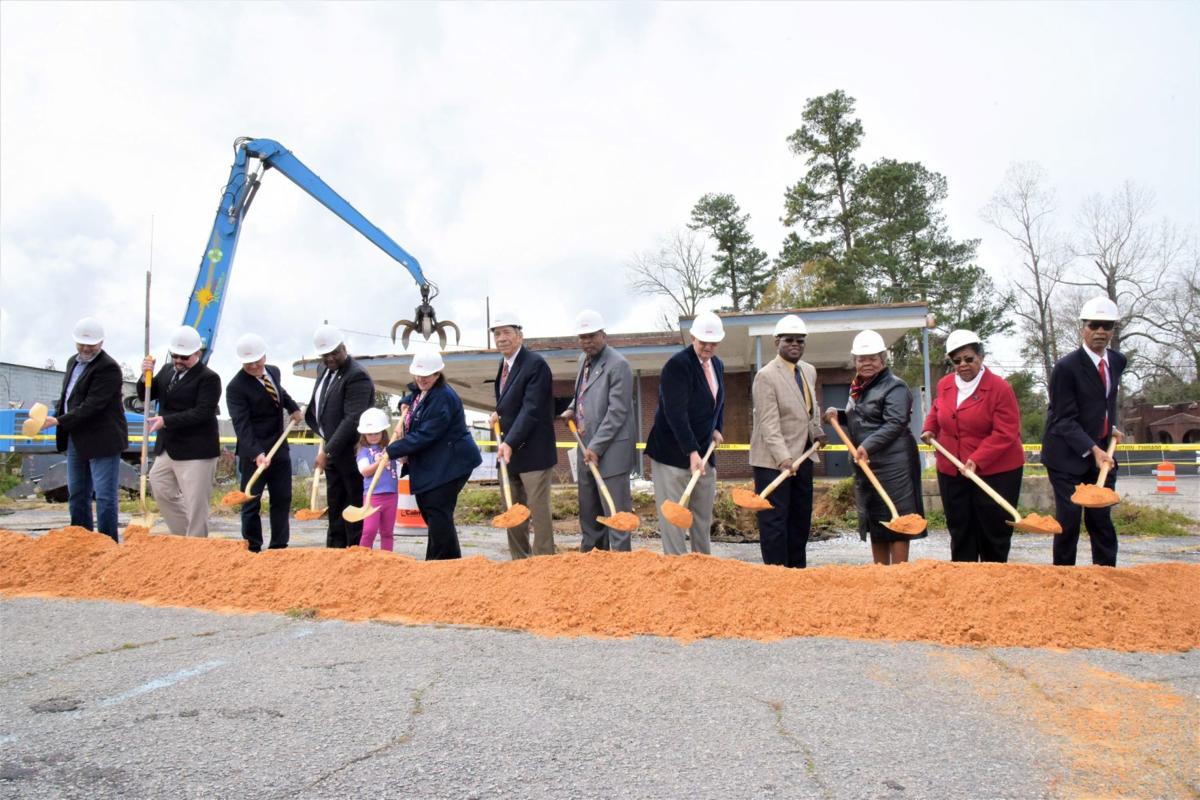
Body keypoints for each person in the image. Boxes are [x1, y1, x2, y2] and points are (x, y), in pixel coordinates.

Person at [920, 329, 1025, 563]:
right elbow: (937, 409)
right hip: (952, 470)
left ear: (981, 357)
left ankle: (991, 583)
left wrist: (978, 459)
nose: (963, 365)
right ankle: (964, 583)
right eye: (956, 361)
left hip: (995, 473)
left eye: (969, 359)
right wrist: (929, 428)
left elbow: (1006, 431)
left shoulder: (999, 388)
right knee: (960, 529)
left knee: (993, 531)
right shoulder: (945, 384)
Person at [824, 329, 924, 565]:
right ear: (855, 361)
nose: (867, 363)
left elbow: (895, 423)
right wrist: (838, 414)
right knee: (877, 518)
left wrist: (867, 445)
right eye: (862, 359)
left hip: (895, 464)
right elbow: (861, 417)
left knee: (898, 519)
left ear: (882, 359)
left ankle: (899, 577)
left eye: (872, 358)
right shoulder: (858, 387)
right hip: (868, 463)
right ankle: (880, 575)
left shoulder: (895, 387)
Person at [1041, 297, 1126, 567]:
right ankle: (1065, 579)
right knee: (1069, 519)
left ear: (1113, 330)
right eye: (1094, 325)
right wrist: (1094, 448)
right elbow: (1063, 419)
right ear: (1083, 328)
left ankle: (1106, 576)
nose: (1100, 331)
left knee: (1100, 518)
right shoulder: (1066, 368)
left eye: (1107, 326)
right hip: (1066, 455)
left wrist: (1108, 426)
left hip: (1100, 452)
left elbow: (1103, 400)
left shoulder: (1117, 361)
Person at [387, 345, 483, 560]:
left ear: (438, 374)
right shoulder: (423, 390)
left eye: (427, 376)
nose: (421, 379)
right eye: (418, 375)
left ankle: (442, 564)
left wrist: (392, 450)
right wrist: (404, 403)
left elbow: (426, 434)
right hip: (436, 463)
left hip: (452, 463)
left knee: (437, 510)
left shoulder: (443, 398)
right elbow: (413, 391)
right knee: (431, 511)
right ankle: (442, 562)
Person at [40, 317, 128, 542]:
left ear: (102, 342)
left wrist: (59, 421)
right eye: (82, 345)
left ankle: (108, 544)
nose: (87, 349)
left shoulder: (108, 368)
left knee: (105, 496)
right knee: (77, 493)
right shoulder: (73, 362)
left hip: (103, 440)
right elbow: (67, 397)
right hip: (76, 437)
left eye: (92, 345)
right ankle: (80, 541)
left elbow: (93, 405)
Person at [645, 311, 726, 555]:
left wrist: (716, 428)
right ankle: (676, 567)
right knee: (674, 519)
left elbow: (718, 402)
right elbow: (675, 413)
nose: (708, 347)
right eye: (703, 342)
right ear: (692, 337)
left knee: (702, 517)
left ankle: (702, 566)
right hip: (672, 453)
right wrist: (691, 450)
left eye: (713, 343)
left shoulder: (718, 365)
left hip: (704, 451)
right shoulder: (677, 366)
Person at [748, 314, 825, 568]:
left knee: (800, 519)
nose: (795, 344)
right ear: (776, 342)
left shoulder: (808, 371)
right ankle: (776, 576)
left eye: (800, 341)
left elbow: (809, 410)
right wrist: (783, 458)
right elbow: (768, 423)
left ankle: (796, 574)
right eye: (789, 340)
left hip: (802, 458)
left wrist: (817, 431)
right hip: (773, 463)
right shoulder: (766, 376)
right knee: (774, 522)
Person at [560, 310, 637, 552]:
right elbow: (583, 393)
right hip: (585, 444)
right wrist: (572, 408)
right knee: (590, 511)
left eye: (591, 336)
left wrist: (597, 447)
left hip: (610, 451)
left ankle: (622, 566)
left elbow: (617, 412)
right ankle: (593, 560)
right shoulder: (583, 360)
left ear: (603, 334)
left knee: (616, 513)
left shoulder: (619, 365)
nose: (586, 342)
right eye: (582, 337)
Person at [137, 325, 221, 538]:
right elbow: (147, 393)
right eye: (175, 356)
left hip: (197, 451)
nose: (178, 361)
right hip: (169, 447)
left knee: (196, 504)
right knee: (160, 487)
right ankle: (184, 537)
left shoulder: (209, 378)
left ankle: (196, 546)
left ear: (197, 354)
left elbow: (202, 412)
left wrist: (166, 421)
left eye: (184, 357)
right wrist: (144, 375)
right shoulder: (166, 371)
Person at [226, 333, 303, 552]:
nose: (253, 367)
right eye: (248, 364)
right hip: (254, 453)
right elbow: (242, 426)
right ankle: (252, 547)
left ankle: (279, 546)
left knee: (282, 499)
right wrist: (257, 453)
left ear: (264, 357)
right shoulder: (235, 388)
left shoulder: (273, 371)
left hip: (279, 448)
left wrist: (293, 408)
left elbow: (280, 392)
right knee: (250, 503)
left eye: (257, 362)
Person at [490, 311, 557, 559]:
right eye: (497, 334)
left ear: (520, 335)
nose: (501, 338)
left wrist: (509, 441)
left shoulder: (535, 364)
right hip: (510, 453)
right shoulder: (504, 365)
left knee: (538, 513)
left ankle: (543, 563)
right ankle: (519, 562)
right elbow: (510, 403)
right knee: (513, 509)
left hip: (533, 452)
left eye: (507, 332)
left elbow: (532, 409)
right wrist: (499, 414)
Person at [305, 324, 375, 549]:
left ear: (344, 348)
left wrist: (328, 450)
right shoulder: (323, 369)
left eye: (335, 353)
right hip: (334, 449)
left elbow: (352, 418)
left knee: (353, 503)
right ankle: (334, 551)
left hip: (350, 452)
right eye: (326, 355)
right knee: (335, 504)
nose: (331, 358)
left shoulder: (357, 376)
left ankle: (355, 551)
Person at [355, 407, 399, 552]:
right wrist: (378, 463)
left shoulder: (390, 448)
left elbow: (404, 459)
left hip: (391, 495)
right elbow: (365, 472)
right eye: (369, 434)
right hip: (373, 497)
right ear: (364, 435)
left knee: (387, 532)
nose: (373, 436)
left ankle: (387, 560)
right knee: (370, 531)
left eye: (376, 433)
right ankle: (362, 558)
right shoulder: (363, 451)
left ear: (383, 432)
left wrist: (400, 440)